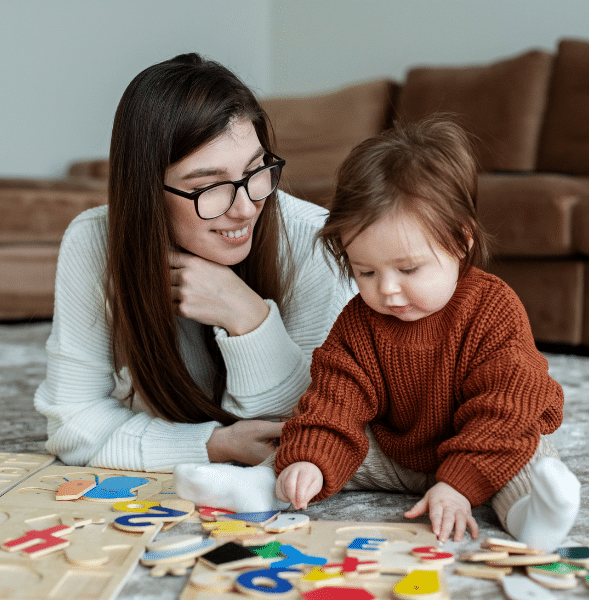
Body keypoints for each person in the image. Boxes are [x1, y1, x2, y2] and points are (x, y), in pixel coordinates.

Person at [33, 53, 353, 476]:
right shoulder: (94, 241)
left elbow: (310, 432)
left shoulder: (317, 244)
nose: (245, 208)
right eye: (211, 187)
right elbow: (73, 424)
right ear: (147, 189)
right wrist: (214, 445)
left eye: (256, 170)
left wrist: (248, 317)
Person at [273, 117, 581, 551]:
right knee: (305, 447)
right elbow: (336, 397)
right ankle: (260, 490)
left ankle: (533, 517)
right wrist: (310, 460)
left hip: (480, 444)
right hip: (400, 456)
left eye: (408, 268)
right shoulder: (359, 321)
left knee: (528, 456)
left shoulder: (492, 308)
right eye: (365, 271)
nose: (387, 289)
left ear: (460, 241)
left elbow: (508, 406)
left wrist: (458, 485)